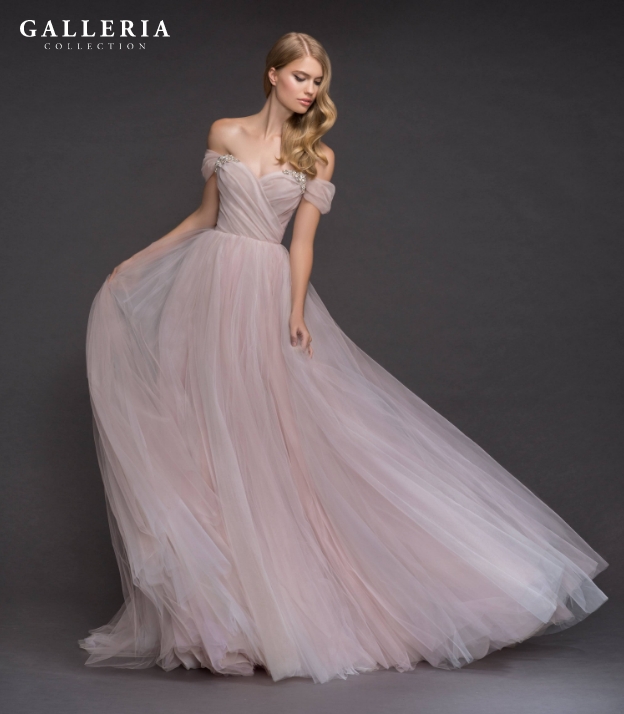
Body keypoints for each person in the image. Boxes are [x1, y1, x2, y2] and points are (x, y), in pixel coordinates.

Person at [79, 32, 608, 684]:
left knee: (267, 439)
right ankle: (222, 619)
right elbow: (204, 217)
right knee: (204, 438)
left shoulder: (318, 157)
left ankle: (283, 609)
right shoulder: (224, 133)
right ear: (273, 75)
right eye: (300, 77)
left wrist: (295, 310)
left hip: (263, 292)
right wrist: (137, 261)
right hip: (206, 290)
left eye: (317, 82)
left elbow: (300, 244)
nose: (310, 90)